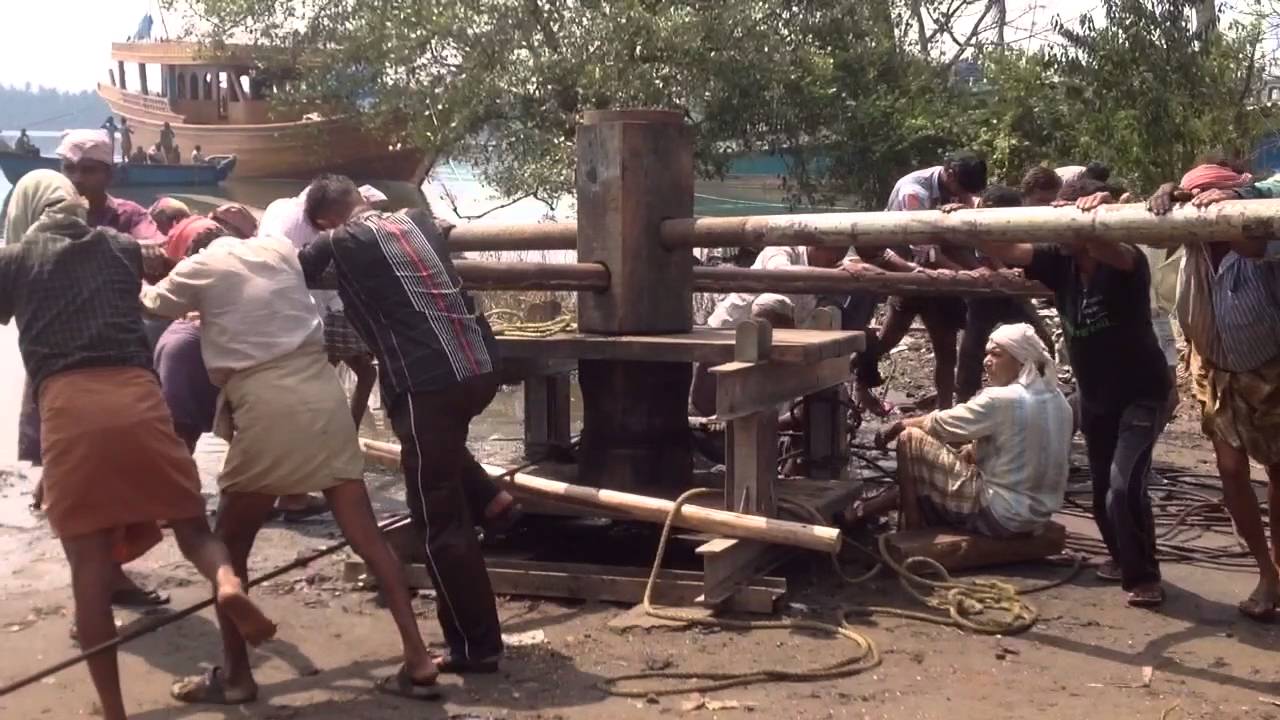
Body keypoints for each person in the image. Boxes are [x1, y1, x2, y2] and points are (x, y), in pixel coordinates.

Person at [0, 170, 274, 720]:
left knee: (89, 573)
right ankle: (225, 584)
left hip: (70, 408)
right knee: (193, 527)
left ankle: (114, 710)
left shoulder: (13, 261)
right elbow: (158, 261)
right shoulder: (122, 247)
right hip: (139, 396)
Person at [141, 225, 439, 703]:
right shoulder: (278, 247)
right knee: (368, 538)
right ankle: (419, 658)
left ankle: (237, 676)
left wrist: (134, 268)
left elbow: (151, 304)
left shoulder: (200, 267)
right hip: (323, 396)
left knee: (229, 547)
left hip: (266, 404)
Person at [298, 174, 510, 674]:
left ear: (328, 220)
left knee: (439, 519)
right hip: (480, 368)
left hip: (429, 383)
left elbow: (300, 268)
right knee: (432, 444)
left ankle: (475, 646)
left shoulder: (339, 239)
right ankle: (493, 500)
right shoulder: (415, 219)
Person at [978, 177, 1172, 607]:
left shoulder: (1126, 259)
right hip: (1096, 395)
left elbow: (1106, 247)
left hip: (1142, 392)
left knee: (1124, 487)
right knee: (1103, 492)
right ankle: (1124, 561)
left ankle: (1146, 577)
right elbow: (1005, 250)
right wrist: (973, 217)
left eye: (1064, 220)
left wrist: (1093, 218)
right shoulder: (1059, 260)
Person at [1148, 165, 1280, 620]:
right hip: (1214, 367)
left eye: (1206, 194)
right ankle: (1267, 571)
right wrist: (1167, 194)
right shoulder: (1190, 241)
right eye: (1193, 197)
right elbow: (1154, 229)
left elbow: (1256, 242)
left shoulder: (1261, 226)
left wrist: (1231, 206)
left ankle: (1277, 572)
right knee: (1229, 472)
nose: (1199, 204)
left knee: (1278, 475)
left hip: (1272, 370)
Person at [843, 323, 1070, 537]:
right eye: (987, 354)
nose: (987, 361)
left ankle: (911, 531)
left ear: (1022, 362)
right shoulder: (1059, 400)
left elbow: (940, 424)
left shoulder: (1001, 400)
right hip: (1037, 518)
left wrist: (898, 426)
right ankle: (862, 511)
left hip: (1002, 516)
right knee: (964, 454)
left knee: (911, 439)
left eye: (997, 355)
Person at [263, 186, 374, 518]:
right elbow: (289, 269)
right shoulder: (293, 224)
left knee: (294, 406)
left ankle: (276, 493)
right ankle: (291, 495)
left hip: (300, 321)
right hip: (297, 324)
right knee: (303, 406)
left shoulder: (292, 214)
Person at [865, 150, 989, 410]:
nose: (965, 195)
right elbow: (924, 250)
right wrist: (966, 273)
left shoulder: (960, 186)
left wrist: (967, 207)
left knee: (946, 347)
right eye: (963, 189)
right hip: (907, 271)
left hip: (942, 279)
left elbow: (974, 212)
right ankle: (861, 380)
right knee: (890, 337)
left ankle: (944, 410)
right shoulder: (914, 191)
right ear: (950, 174)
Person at [954, 184, 1055, 402]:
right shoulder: (973, 219)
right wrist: (1001, 270)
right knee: (972, 354)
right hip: (983, 296)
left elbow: (1020, 252)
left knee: (1042, 345)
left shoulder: (1017, 222)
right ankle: (963, 405)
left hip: (1011, 294)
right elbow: (976, 251)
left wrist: (1012, 271)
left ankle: (1039, 397)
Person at [56, 129, 159, 239]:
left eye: (88, 170)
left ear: (109, 175)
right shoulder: (51, 216)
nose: (77, 179)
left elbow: (155, 244)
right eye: (69, 169)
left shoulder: (130, 215)